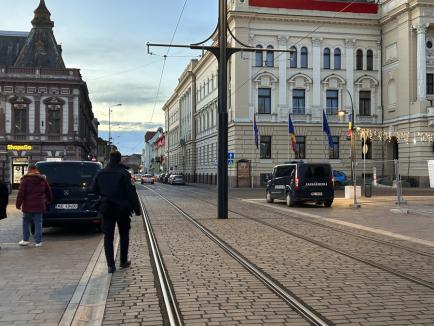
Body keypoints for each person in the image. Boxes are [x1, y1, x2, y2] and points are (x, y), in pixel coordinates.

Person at [93, 151, 141, 273]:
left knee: (108, 236)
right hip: (122, 209)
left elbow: (93, 189)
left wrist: (103, 197)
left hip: (107, 209)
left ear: (110, 159)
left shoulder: (101, 173)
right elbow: (132, 193)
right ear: (119, 160)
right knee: (124, 234)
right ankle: (123, 261)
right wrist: (137, 210)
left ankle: (110, 265)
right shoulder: (124, 174)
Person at [16, 164, 52, 247]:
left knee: (26, 223)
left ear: (29, 170)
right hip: (39, 205)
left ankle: (25, 240)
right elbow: (48, 191)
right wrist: (49, 200)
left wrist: (18, 204)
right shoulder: (43, 180)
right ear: (36, 170)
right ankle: (38, 242)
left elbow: (21, 194)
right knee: (38, 224)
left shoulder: (25, 180)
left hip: (27, 206)